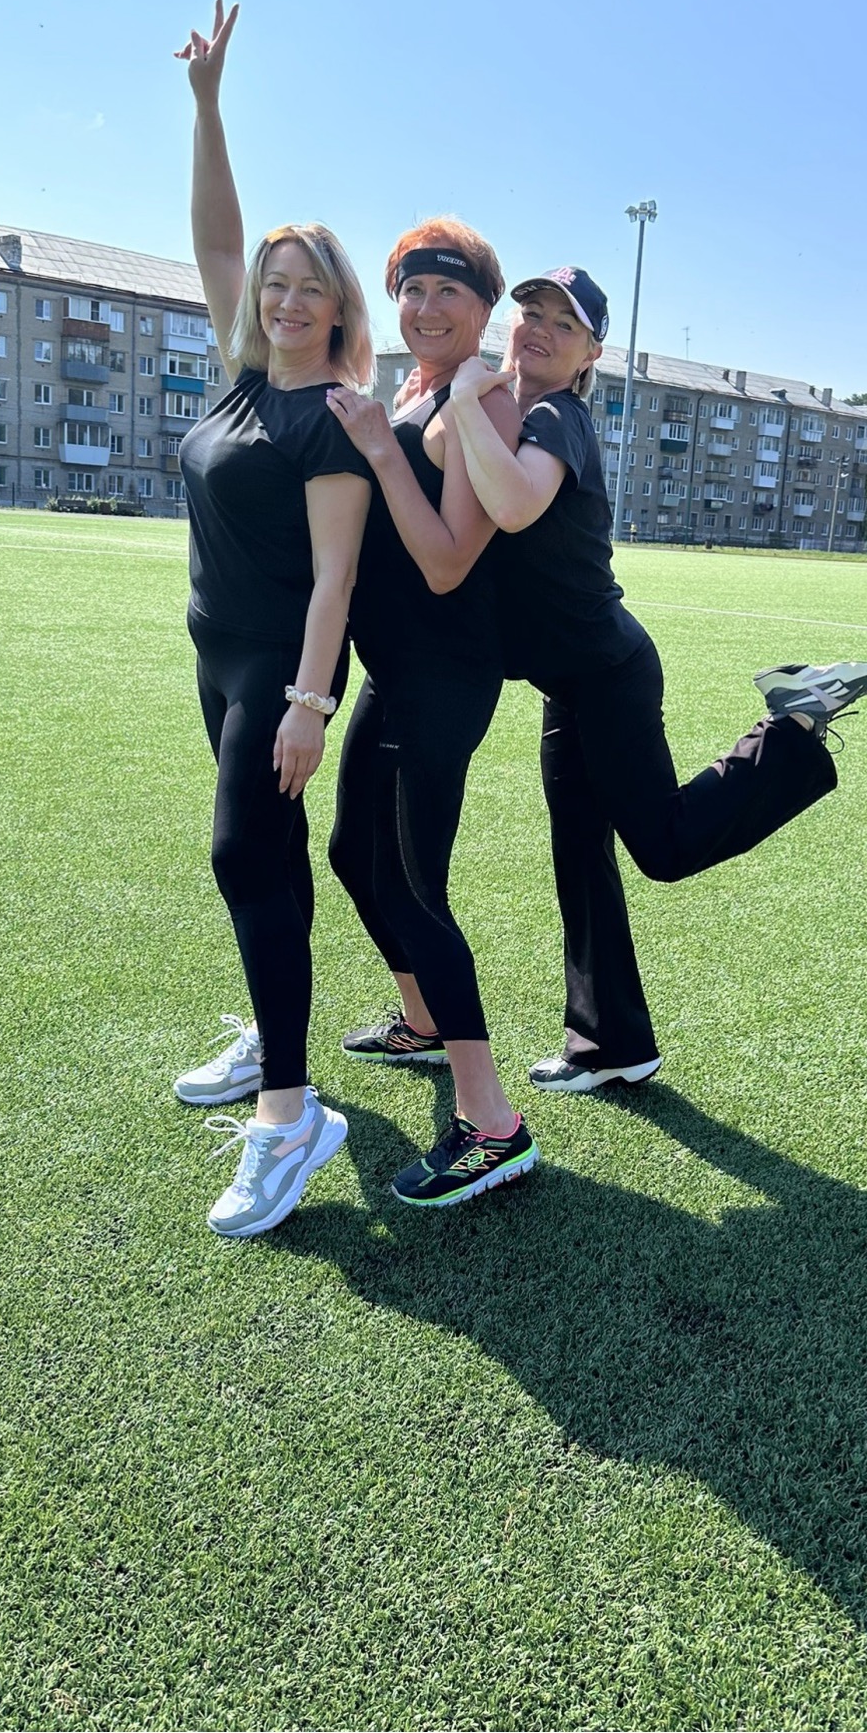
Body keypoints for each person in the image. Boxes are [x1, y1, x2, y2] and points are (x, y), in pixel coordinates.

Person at [444, 266, 867, 1092]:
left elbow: (511, 506)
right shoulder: (506, 410)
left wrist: (463, 400)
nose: (539, 329)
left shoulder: (557, 417)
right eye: (531, 312)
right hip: (569, 682)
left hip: (609, 675)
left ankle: (792, 725)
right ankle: (612, 1044)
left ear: (590, 355)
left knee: (665, 847)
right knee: (580, 857)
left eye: (564, 325)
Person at [168, 0, 373, 1237]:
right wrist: (207, 107)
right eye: (276, 285)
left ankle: (289, 1117)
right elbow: (215, 235)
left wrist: (308, 705)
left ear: (340, 310)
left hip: (277, 674)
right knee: (271, 863)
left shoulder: (331, 417)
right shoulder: (244, 378)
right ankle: (272, 1026)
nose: (287, 300)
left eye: (310, 290)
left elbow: (335, 580)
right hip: (217, 654)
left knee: (241, 852)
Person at [322, 221, 539, 1208]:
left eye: (450, 291)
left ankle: (492, 1124)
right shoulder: (414, 388)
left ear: (485, 308)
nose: (427, 307)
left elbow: (450, 561)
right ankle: (421, 1020)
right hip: (393, 670)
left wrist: (379, 448)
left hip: (444, 675)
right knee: (350, 856)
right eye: (412, 290)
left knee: (415, 889)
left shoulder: (479, 402)